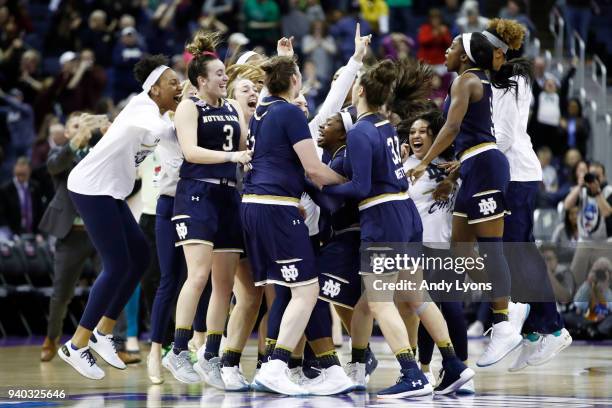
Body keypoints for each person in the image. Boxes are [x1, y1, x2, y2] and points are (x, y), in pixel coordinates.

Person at [324, 59, 474, 397]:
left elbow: (361, 187)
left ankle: (412, 373)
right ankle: (453, 364)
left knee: (378, 301)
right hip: (406, 213)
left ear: (359, 90)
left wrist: (324, 184)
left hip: (382, 216)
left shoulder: (361, 131)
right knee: (417, 296)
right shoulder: (385, 126)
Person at [57, 54, 182, 380]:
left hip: (109, 190)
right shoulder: (143, 108)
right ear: (154, 88)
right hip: (90, 186)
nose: (178, 86)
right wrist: (191, 109)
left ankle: (103, 332)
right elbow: (170, 131)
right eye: (172, 82)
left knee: (139, 257)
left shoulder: (155, 111)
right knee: (116, 266)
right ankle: (76, 343)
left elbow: (171, 136)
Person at [407, 31, 526, 368]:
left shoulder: (467, 80)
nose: (446, 50)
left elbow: (452, 127)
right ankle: (507, 301)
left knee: (491, 248)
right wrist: (457, 169)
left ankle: (503, 321)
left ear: (467, 54)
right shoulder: (467, 81)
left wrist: (425, 163)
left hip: (486, 165)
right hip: (472, 164)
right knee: (459, 250)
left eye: (453, 46)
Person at [241, 55, 345, 395]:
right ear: (296, 82)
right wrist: (352, 181)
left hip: (255, 207)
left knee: (290, 289)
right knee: (307, 290)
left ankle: (327, 370)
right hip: (275, 207)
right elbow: (314, 170)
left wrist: (283, 55)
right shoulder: (289, 113)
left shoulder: (263, 111)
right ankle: (276, 365)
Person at [164, 31, 252, 385]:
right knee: (197, 275)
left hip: (230, 196)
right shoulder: (189, 106)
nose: (224, 77)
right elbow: (191, 152)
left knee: (224, 284)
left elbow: (247, 148)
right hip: (197, 193)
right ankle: (178, 349)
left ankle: (211, 355)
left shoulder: (231, 107)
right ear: (201, 80)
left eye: (224, 73)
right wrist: (233, 155)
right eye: (218, 74)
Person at [483, 18, 572, 371]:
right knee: (516, 252)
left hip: (517, 173)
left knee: (519, 252)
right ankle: (536, 330)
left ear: (498, 51)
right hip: (514, 173)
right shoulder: (503, 78)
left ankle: (553, 327)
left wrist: (471, 158)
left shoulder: (512, 79)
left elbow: (503, 135)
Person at [402, 109, 474, 394]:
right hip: (420, 247)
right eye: (412, 132)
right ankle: (427, 368)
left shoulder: (451, 165)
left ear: (434, 135)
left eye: (422, 131)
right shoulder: (405, 166)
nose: (416, 136)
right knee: (427, 310)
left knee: (450, 309)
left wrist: (453, 177)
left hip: (448, 247)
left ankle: (460, 368)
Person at [38, 112, 108, 362]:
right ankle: (51, 337)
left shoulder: (98, 149)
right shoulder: (62, 152)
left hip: (98, 230)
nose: (82, 130)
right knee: (62, 293)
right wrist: (74, 143)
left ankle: (111, 341)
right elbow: (53, 166)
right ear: (67, 132)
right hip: (70, 233)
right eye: (75, 127)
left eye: (85, 125)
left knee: (112, 283)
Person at [564, 161, 612, 286]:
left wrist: (597, 192)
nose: (594, 179)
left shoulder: (608, 191)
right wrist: (580, 186)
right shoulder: (582, 191)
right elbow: (567, 205)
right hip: (584, 242)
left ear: (604, 177)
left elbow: (607, 212)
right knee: (574, 280)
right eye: (591, 175)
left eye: (598, 176)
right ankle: (573, 305)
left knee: (603, 282)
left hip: (604, 244)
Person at [0, 157, 45, 237]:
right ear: (14, 170)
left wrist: (39, 233)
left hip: (33, 233)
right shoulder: (5, 189)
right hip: (11, 233)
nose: (21, 176)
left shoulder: (35, 187)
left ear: (29, 171)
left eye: (23, 174)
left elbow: (40, 213)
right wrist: (11, 234)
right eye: (19, 173)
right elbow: (2, 216)